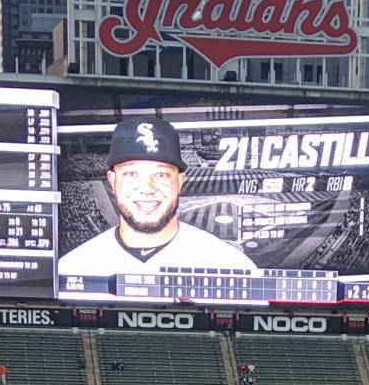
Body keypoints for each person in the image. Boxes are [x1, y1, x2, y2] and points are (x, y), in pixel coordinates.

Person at [57, 116, 258, 286]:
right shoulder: (70, 269)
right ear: (112, 180)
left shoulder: (234, 268)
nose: (147, 188)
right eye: (132, 173)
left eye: (161, 175)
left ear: (180, 182)